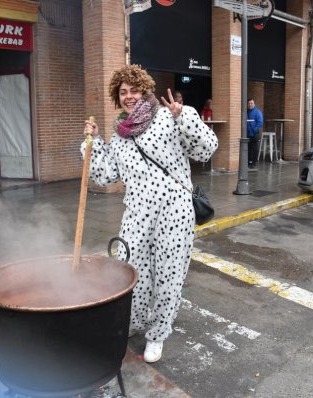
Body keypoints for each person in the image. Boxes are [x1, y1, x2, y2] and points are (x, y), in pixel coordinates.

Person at [81, 64, 218, 363]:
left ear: (144, 90)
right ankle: (134, 321)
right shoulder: (120, 136)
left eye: (134, 90)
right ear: (118, 98)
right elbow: (105, 176)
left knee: (169, 275)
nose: (129, 96)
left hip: (174, 210)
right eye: (123, 92)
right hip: (137, 213)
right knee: (130, 270)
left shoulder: (167, 118)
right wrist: (93, 143)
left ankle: (158, 334)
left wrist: (183, 116)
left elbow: (207, 149)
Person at [247, 98, 264, 170]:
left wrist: (254, 130)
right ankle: (249, 162)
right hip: (247, 134)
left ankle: (254, 163)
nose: (250, 105)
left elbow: (260, 122)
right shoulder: (246, 112)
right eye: (249, 103)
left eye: (251, 103)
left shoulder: (257, 112)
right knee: (249, 148)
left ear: (254, 104)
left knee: (254, 148)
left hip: (254, 134)